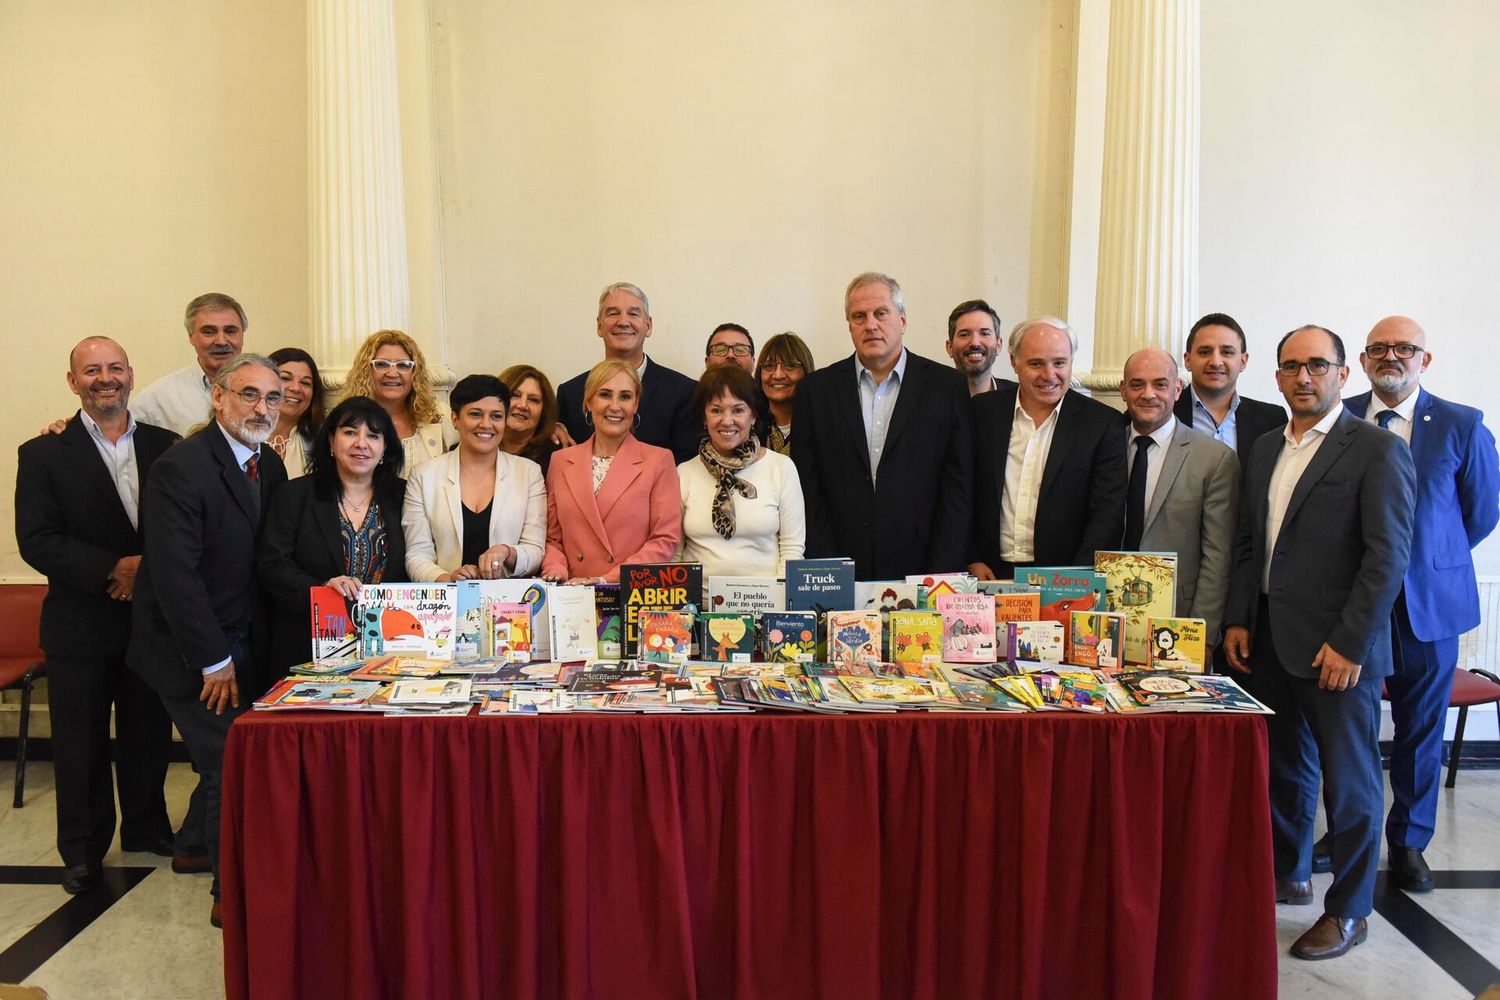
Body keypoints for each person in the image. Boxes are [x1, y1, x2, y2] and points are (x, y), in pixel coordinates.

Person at [1222, 325, 1415, 961]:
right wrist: (1243, 618)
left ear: (1342, 374)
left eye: (1316, 366)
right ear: (1275, 377)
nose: (1303, 378)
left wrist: (1351, 643)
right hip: (1272, 638)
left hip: (1339, 650)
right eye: (1291, 367)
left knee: (1350, 781)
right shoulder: (1264, 449)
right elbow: (1252, 541)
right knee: (1287, 767)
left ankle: (1351, 910)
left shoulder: (1374, 449)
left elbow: (1387, 557)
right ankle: (1291, 871)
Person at [1305, 316, 1500, 891]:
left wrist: (1427, 560)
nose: (1392, 357)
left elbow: (1480, 512)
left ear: (1425, 359)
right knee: (1344, 726)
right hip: (1351, 602)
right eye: (1379, 349)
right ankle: (1341, 832)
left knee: (1419, 727)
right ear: (1362, 361)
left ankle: (1409, 842)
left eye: (1404, 349)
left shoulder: (1463, 425)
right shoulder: (1337, 414)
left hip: (1428, 606)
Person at [128, 354, 289, 929]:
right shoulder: (182, 467)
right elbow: (175, 576)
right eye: (249, 395)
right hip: (191, 650)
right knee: (228, 764)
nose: (262, 408)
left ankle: (194, 844)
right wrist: (213, 661)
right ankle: (230, 894)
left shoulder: (267, 465)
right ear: (218, 398)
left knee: (232, 757)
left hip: (246, 637)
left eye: (273, 398)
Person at [14, 337, 178, 894]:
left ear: (132, 375)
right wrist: (113, 569)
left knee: (147, 733)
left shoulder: (168, 446)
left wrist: (145, 573)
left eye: (114, 368)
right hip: (81, 620)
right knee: (79, 743)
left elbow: (184, 529)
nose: (104, 378)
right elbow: (37, 540)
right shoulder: (42, 454)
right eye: (91, 371)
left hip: (151, 618)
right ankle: (81, 851)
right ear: (73, 381)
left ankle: (147, 827)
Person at [792, 272, 973, 579]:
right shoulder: (816, 391)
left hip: (924, 564)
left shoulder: (947, 387)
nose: (870, 325)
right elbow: (807, 488)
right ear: (849, 326)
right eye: (859, 316)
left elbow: (958, 487)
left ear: (902, 320)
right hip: (837, 563)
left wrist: (942, 572)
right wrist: (825, 565)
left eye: (881, 313)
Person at [258, 397, 408, 674]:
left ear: (385, 447)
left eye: (373, 435)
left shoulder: (404, 496)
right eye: (350, 432)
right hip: (310, 648)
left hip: (391, 650)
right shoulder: (294, 495)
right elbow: (272, 564)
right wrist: (321, 588)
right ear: (330, 441)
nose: (361, 443)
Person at [969, 316, 1126, 579]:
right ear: (1014, 362)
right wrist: (971, 558)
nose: (1049, 375)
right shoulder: (982, 413)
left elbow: (1106, 515)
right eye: (1036, 364)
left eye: (1059, 363)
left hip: (1064, 576)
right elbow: (960, 494)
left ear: (1071, 363)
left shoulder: (1102, 424)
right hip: (988, 573)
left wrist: (1075, 577)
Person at [1117, 349, 1239, 657]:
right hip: (1107, 618)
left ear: (1177, 389)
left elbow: (1218, 555)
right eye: (1137, 384)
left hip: (1178, 619)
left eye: (1160, 384)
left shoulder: (1214, 458)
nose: (1148, 394)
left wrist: (1204, 633)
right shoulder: (1104, 447)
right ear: (1122, 390)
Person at [542, 360, 681, 584]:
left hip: (629, 594)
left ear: (636, 404)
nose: (615, 406)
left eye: (625, 396)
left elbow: (665, 540)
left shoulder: (659, 461)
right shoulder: (560, 461)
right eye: (605, 395)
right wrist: (555, 570)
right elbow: (552, 537)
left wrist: (606, 580)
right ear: (588, 402)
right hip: (571, 594)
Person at [403, 375, 547, 583]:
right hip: (445, 605)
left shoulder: (528, 473)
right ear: (455, 419)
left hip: (510, 606)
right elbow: (416, 554)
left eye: (496, 416)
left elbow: (535, 550)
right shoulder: (423, 476)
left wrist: (506, 552)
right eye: (475, 414)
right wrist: (447, 579)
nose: (486, 424)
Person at [678, 365, 806, 578]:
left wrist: (783, 600)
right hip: (699, 606)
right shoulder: (683, 473)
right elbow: (674, 554)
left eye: (738, 410)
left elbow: (792, 549)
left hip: (765, 604)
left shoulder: (781, 468)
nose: (727, 421)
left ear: (753, 416)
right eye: (716, 410)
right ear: (704, 417)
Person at [555, 282, 699, 463]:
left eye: (633, 313)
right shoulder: (570, 393)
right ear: (599, 326)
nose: (623, 322)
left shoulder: (684, 392)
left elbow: (686, 467)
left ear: (648, 325)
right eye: (613, 313)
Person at [1176, 312, 1287, 466]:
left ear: (1243, 361)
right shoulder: (1164, 413)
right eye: (1204, 352)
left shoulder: (1273, 420)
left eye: (1227, 352)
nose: (1215, 362)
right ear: (1188, 360)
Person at [133, 292, 247, 435]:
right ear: (190, 336)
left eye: (230, 331)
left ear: (242, 335)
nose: (221, 341)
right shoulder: (155, 401)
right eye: (209, 332)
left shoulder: (268, 394)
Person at [342, 329, 452, 468]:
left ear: (415, 373)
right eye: (381, 364)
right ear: (366, 371)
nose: (393, 373)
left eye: (403, 365)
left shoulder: (440, 416)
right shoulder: (345, 421)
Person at [267, 347, 326, 478]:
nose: (295, 388)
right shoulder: (241, 435)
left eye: (305, 383)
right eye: (285, 378)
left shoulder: (323, 440)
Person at [756, 332, 815, 456]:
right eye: (769, 366)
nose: (778, 375)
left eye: (790, 366)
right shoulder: (749, 428)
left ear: (806, 371)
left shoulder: (821, 426)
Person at [498, 363, 560, 476]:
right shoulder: (468, 451)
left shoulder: (556, 460)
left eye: (533, 400)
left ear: (544, 410)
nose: (522, 405)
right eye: (515, 395)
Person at [945, 299, 1006, 395]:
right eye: (964, 334)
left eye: (984, 333)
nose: (975, 343)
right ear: (950, 347)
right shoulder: (928, 399)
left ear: (999, 345)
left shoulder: (1019, 397)